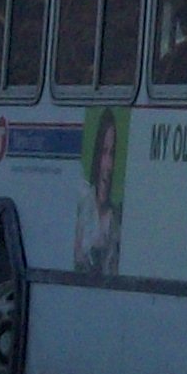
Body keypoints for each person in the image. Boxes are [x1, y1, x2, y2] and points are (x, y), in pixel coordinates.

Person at [74, 112, 124, 274]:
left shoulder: (115, 221)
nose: (108, 166)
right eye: (104, 152)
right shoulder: (82, 205)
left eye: (112, 153)